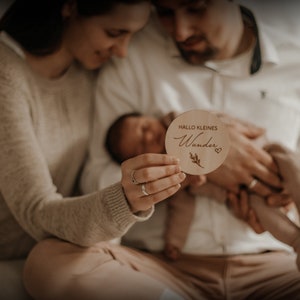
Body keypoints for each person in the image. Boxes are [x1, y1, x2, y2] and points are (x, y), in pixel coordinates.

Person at [80, 0, 300, 298]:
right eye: (166, 13)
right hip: (161, 270)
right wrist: (189, 159)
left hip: (275, 265)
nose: (180, 31)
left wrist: (280, 193)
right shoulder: (132, 55)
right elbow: (95, 183)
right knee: (49, 263)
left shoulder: (295, 62)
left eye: (196, 8)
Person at [0, 1, 203, 299]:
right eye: (114, 32)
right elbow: (37, 211)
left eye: (132, 36)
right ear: (69, 7)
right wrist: (126, 201)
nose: (122, 51)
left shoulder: (88, 70)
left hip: (73, 245)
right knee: (51, 262)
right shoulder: (7, 77)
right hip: (31, 246)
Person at [105, 111, 300, 265]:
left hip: (266, 154)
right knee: (263, 211)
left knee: (290, 162)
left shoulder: (188, 121)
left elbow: (224, 122)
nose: (147, 137)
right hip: (245, 194)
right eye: (140, 147)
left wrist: (248, 131)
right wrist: (175, 241)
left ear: (151, 117)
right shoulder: (176, 179)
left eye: (144, 127)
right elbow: (181, 209)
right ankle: (296, 242)